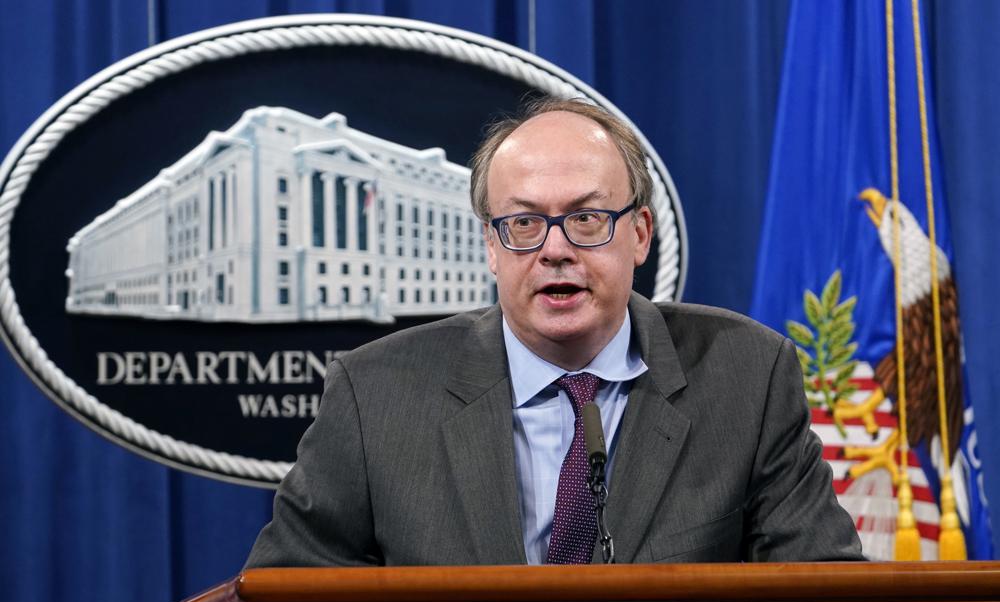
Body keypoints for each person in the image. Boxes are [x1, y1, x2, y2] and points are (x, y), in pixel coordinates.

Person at [245, 97, 863, 567]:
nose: (555, 250)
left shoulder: (746, 377)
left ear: (641, 233)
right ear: (491, 246)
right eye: (523, 223)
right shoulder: (375, 396)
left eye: (587, 218)